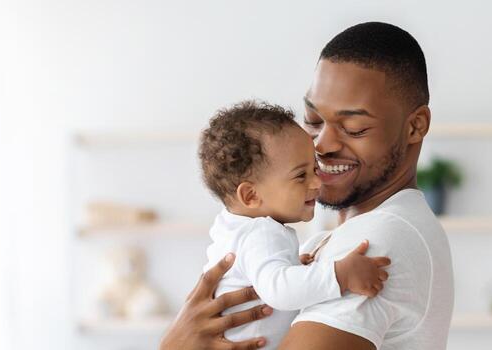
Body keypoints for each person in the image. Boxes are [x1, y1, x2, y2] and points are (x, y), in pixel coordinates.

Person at [161, 21, 454, 350]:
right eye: (313, 121)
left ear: (415, 126)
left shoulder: (377, 242)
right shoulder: (320, 242)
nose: (322, 144)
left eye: (354, 127)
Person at [197, 100, 391, 349]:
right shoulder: (261, 233)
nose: (316, 183)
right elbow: (279, 290)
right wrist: (340, 275)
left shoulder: (232, 228)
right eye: (301, 175)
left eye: (314, 169)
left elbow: (260, 277)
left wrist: (293, 266)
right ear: (251, 196)